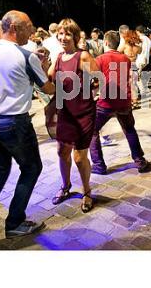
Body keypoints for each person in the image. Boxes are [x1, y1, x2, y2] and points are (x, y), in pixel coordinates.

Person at [0, 10, 55, 250]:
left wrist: (34, 61)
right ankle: (15, 221)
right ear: (15, 28)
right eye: (29, 26)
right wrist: (42, 64)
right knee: (31, 168)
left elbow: (10, 73)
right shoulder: (26, 56)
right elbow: (47, 88)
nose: (33, 29)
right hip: (13, 122)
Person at [48, 18, 98, 212]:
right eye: (60, 33)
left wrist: (87, 90)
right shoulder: (59, 57)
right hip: (65, 113)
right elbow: (49, 79)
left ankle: (87, 192)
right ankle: (66, 186)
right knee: (62, 152)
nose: (63, 37)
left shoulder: (82, 56)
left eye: (67, 33)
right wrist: (43, 63)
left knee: (79, 157)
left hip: (83, 113)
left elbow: (98, 79)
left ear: (75, 36)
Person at [89, 30, 151, 174]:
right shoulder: (125, 59)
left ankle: (98, 165)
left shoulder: (100, 59)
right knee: (129, 130)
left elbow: (94, 79)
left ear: (105, 42)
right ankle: (140, 161)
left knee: (92, 131)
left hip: (106, 103)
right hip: (123, 101)